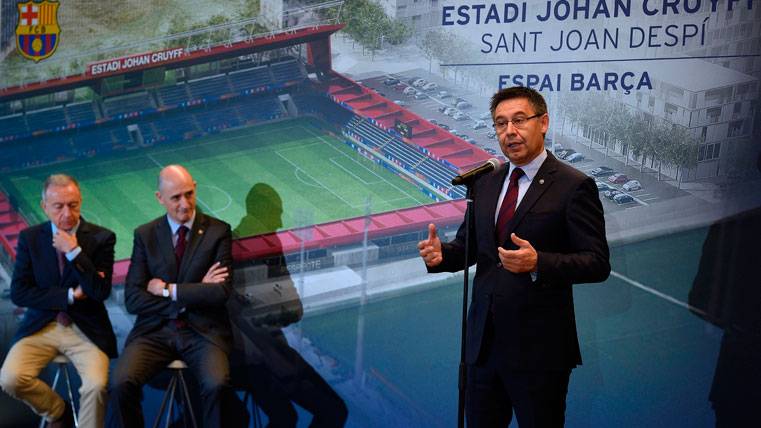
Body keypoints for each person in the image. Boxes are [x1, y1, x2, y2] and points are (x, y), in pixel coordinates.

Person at [417, 86, 610, 427]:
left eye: (519, 120)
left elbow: (597, 262)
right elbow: (469, 248)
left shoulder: (573, 185)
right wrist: (441, 256)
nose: (510, 131)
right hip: (483, 348)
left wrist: (539, 263)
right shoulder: (486, 183)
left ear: (543, 122)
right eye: (501, 123)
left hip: (539, 352)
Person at [107, 165, 233, 428]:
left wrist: (167, 290)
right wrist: (195, 292)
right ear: (160, 198)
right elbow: (133, 299)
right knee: (120, 383)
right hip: (155, 332)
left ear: (195, 188)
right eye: (176, 197)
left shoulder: (218, 231)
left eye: (189, 194)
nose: (184, 204)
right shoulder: (145, 235)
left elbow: (220, 292)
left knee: (217, 384)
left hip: (203, 332)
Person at [0, 174, 117, 428]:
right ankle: (57, 412)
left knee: (96, 386)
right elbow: (20, 293)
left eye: (73, 205)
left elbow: (99, 291)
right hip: (41, 325)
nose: (67, 213)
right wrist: (69, 296)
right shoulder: (30, 238)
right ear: (44, 206)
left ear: (80, 201)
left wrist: (74, 252)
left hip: (86, 328)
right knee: (10, 378)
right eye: (58, 206)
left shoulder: (102, 238)